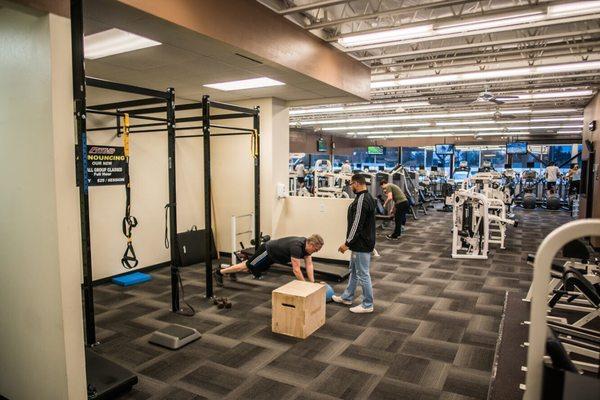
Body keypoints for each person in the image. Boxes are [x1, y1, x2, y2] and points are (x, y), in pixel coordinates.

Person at [332, 174, 376, 313]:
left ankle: (367, 305)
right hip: (361, 243)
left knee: (363, 274)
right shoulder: (363, 197)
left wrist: (347, 243)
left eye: (351, 184)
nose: (350, 186)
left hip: (361, 244)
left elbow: (357, 225)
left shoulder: (362, 200)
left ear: (356, 183)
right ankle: (347, 297)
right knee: (355, 272)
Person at [213, 234, 324, 287]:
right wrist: (306, 286)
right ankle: (219, 272)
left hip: (274, 257)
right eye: (316, 249)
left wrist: (312, 283)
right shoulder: (297, 247)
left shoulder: (307, 249)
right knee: (247, 266)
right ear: (310, 244)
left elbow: (309, 265)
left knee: (250, 268)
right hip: (267, 251)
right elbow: (296, 270)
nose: (317, 251)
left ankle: (228, 269)